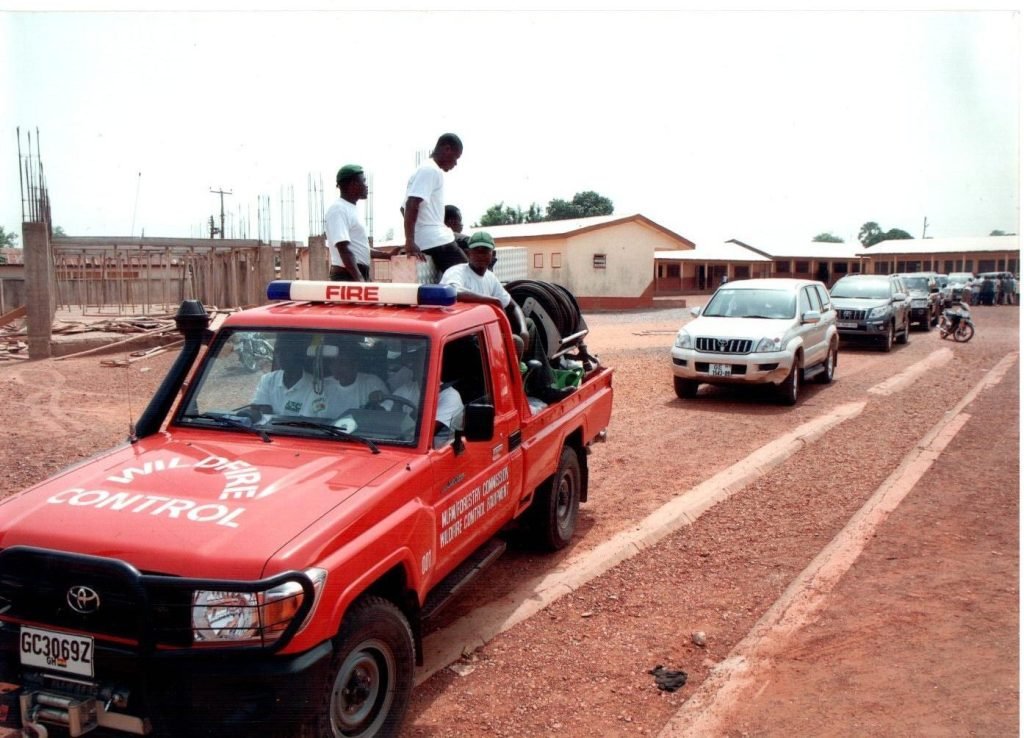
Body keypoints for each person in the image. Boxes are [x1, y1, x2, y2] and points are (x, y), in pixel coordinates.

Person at [439, 231, 529, 349]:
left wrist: (524, 330)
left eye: (485, 251)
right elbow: (452, 292)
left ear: (493, 254)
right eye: (476, 251)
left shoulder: (490, 277)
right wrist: (491, 300)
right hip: (463, 335)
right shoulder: (456, 272)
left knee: (528, 324)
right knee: (516, 342)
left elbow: (513, 306)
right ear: (468, 253)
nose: (480, 255)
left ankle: (536, 360)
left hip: (485, 329)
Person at [402, 133, 468, 275]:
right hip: (437, 240)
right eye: (456, 158)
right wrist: (410, 241)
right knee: (468, 277)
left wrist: (415, 236)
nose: (455, 164)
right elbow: (411, 204)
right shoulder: (430, 170)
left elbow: (403, 208)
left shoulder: (424, 169)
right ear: (447, 149)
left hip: (430, 239)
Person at [325, 164, 392, 282]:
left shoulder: (351, 209)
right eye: (363, 181)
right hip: (347, 275)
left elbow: (360, 249)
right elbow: (343, 249)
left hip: (355, 273)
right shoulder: (338, 209)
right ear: (353, 184)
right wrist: (359, 279)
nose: (366, 186)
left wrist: (387, 255)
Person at [252, 336, 343, 417]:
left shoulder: (317, 388)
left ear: (298, 354)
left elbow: (309, 421)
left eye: (286, 351)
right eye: (278, 350)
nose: (280, 355)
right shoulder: (268, 380)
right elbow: (260, 411)